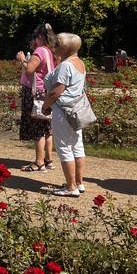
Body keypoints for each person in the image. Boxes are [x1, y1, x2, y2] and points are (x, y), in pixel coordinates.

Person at [42, 33, 88, 197]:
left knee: (64, 148)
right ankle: (78, 183)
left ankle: (70, 187)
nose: (53, 47)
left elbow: (56, 92)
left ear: (64, 47)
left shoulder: (65, 66)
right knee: (77, 145)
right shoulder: (79, 63)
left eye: (56, 44)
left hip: (63, 111)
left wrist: (45, 106)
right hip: (76, 110)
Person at [16, 24, 57, 172]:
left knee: (37, 127)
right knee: (47, 127)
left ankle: (39, 162)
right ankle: (48, 160)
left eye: (35, 37)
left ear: (39, 37)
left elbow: (29, 69)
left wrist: (22, 59)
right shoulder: (51, 51)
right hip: (47, 91)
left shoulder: (39, 50)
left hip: (36, 93)